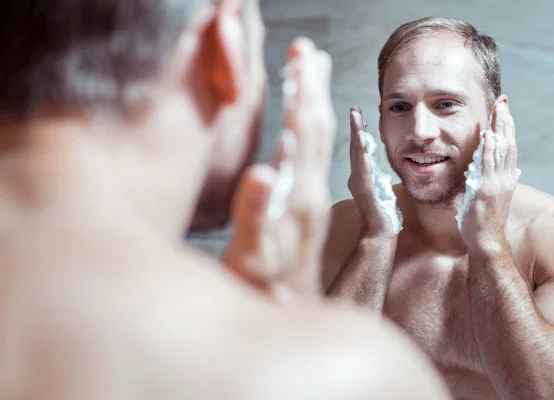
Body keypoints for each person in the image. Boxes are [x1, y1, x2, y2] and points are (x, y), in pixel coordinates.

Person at [0, 1, 453, 399]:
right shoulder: (351, 375)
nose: (421, 131)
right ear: (225, 44)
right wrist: (290, 349)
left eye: (446, 104)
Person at [322, 16, 554, 400]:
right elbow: (308, 385)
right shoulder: (337, 232)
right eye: (400, 106)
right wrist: (375, 240)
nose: (420, 131)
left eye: (446, 104)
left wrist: (488, 245)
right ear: (381, 119)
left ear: (494, 116)